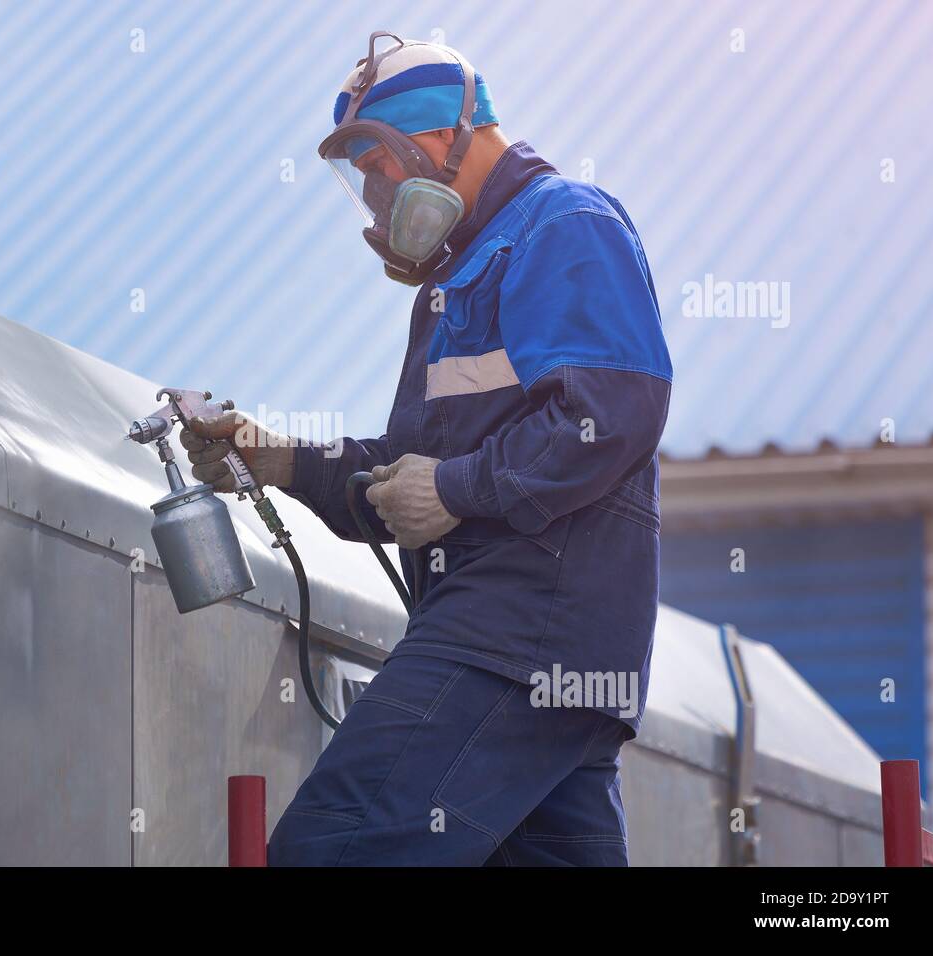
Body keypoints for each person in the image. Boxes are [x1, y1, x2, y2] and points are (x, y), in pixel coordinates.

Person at [181, 32, 672, 866]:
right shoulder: (460, 277)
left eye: (377, 164)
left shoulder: (564, 224)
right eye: (361, 177)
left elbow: (614, 412)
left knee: (334, 846)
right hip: (553, 667)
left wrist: (459, 489)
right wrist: (277, 460)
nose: (372, 197)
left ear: (443, 135)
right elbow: (410, 472)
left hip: (514, 637)